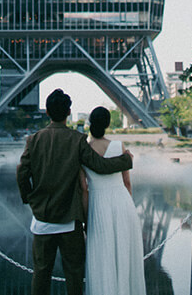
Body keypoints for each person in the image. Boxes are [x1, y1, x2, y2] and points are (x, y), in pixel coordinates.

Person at [17, 89, 132, 295]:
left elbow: (22, 173)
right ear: (69, 112)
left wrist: (30, 198)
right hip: (70, 220)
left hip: (42, 219)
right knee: (74, 275)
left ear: (47, 113)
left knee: (41, 273)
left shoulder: (33, 140)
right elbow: (98, 165)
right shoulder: (77, 139)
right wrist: (126, 160)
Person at [81, 106, 146, 295]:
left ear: (90, 124)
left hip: (98, 206)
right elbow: (127, 183)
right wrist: (128, 208)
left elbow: (83, 188)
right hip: (122, 203)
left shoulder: (84, 152)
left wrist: (86, 219)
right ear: (108, 124)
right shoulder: (120, 147)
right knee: (125, 256)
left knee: (103, 258)